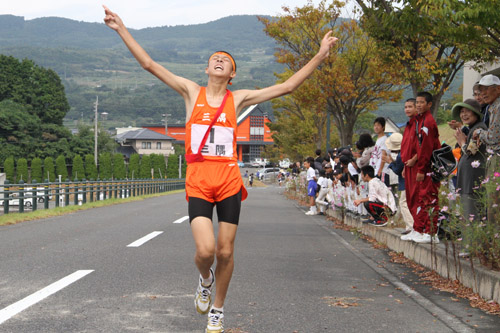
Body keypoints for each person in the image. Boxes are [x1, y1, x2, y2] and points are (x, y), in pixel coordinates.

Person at [103, 6, 338, 332]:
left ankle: (218, 308)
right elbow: (149, 64)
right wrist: (121, 29)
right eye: (214, 57)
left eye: (225, 59)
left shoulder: (238, 98)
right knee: (206, 250)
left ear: (232, 74)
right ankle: (204, 278)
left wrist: (319, 55)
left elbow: (287, 87)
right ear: (206, 67)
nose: (218, 59)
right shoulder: (191, 92)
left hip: (228, 178)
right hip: (199, 178)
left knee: (226, 251)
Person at [402, 92, 441, 244]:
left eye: (420, 103)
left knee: (428, 198)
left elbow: (425, 149)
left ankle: (430, 232)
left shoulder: (428, 122)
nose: (418, 105)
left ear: (429, 104)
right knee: (417, 198)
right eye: (416, 102)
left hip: (426, 167)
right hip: (417, 166)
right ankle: (419, 229)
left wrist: (421, 169)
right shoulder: (420, 121)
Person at [452, 99, 487, 221]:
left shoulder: (479, 129)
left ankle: (473, 241)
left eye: (468, 111)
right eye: (462, 111)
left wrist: (461, 142)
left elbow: (471, 151)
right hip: (467, 181)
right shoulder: (472, 128)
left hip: (472, 182)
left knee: (472, 216)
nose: (464, 115)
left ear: (476, 113)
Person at [472, 74, 500, 224]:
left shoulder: (498, 107)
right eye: (480, 89)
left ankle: (495, 241)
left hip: (497, 158)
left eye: (486, 89)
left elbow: (493, 138)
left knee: (494, 203)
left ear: (498, 89)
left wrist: (478, 133)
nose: (483, 93)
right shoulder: (492, 107)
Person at [383, 133, 414, 235]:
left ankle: (411, 226)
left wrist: (390, 162)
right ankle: (410, 225)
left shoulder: (401, 155)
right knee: (409, 203)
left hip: (405, 182)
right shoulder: (407, 151)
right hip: (411, 181)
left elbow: (397, 170)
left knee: (403, 203)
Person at [369, 117, 390, 185]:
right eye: (375, 125)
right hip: (376, 170)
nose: (376, 127)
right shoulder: (378, 139)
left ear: (383, 127)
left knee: (383, 193)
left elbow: (384, 155)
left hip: (382, 171)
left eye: (378, 125)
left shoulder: (384, 139)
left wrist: (380, 170)